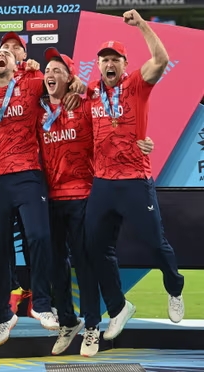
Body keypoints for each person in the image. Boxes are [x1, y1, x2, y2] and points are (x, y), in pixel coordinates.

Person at [84, 9, 185, 342]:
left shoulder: (137, 85)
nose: (109, 64)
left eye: (115, 59)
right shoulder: (91, 93)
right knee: (96, 249)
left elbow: (161, 58)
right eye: (104, 60)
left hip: (134, 179)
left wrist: (141, 24)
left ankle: (174, 287)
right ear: (98, 66)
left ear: (125, 65)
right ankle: (118, 308)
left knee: (156, 244)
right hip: (102, 182)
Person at [0, 47, 58, 347]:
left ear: (16, 64)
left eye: (8, 54)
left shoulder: (31, 86)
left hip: (27, 175)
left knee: (39, 236)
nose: (2, 55)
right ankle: (2, 317)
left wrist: (39, 71)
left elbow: (60, 82)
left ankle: (43, 305)